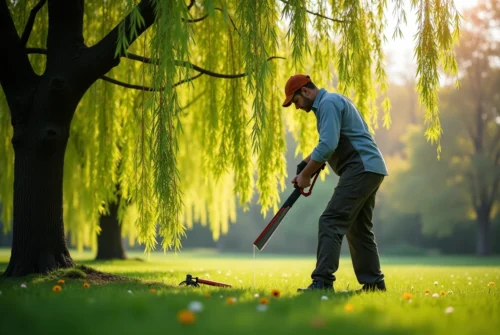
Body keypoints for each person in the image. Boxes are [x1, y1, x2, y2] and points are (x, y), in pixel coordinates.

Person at [282, 74, 388, 292]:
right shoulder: (332, 102)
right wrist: (305, 165)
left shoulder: (328, 103)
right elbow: (330, 142)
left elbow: (328, 145)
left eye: (296, 101)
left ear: (306, 91)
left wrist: (306, 175)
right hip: (371, 168)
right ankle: (374, 285)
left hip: (361, 167)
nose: (297, 107)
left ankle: (322, 282)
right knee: (359, 228)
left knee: (330, 220)